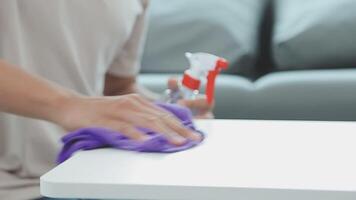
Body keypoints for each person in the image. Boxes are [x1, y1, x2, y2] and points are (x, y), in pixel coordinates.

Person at [0, 1, 213, 199]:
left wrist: (164, 113)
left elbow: (117, 87)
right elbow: (81, 105)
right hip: (12, 186)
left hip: (89, 176)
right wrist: (69, 105)